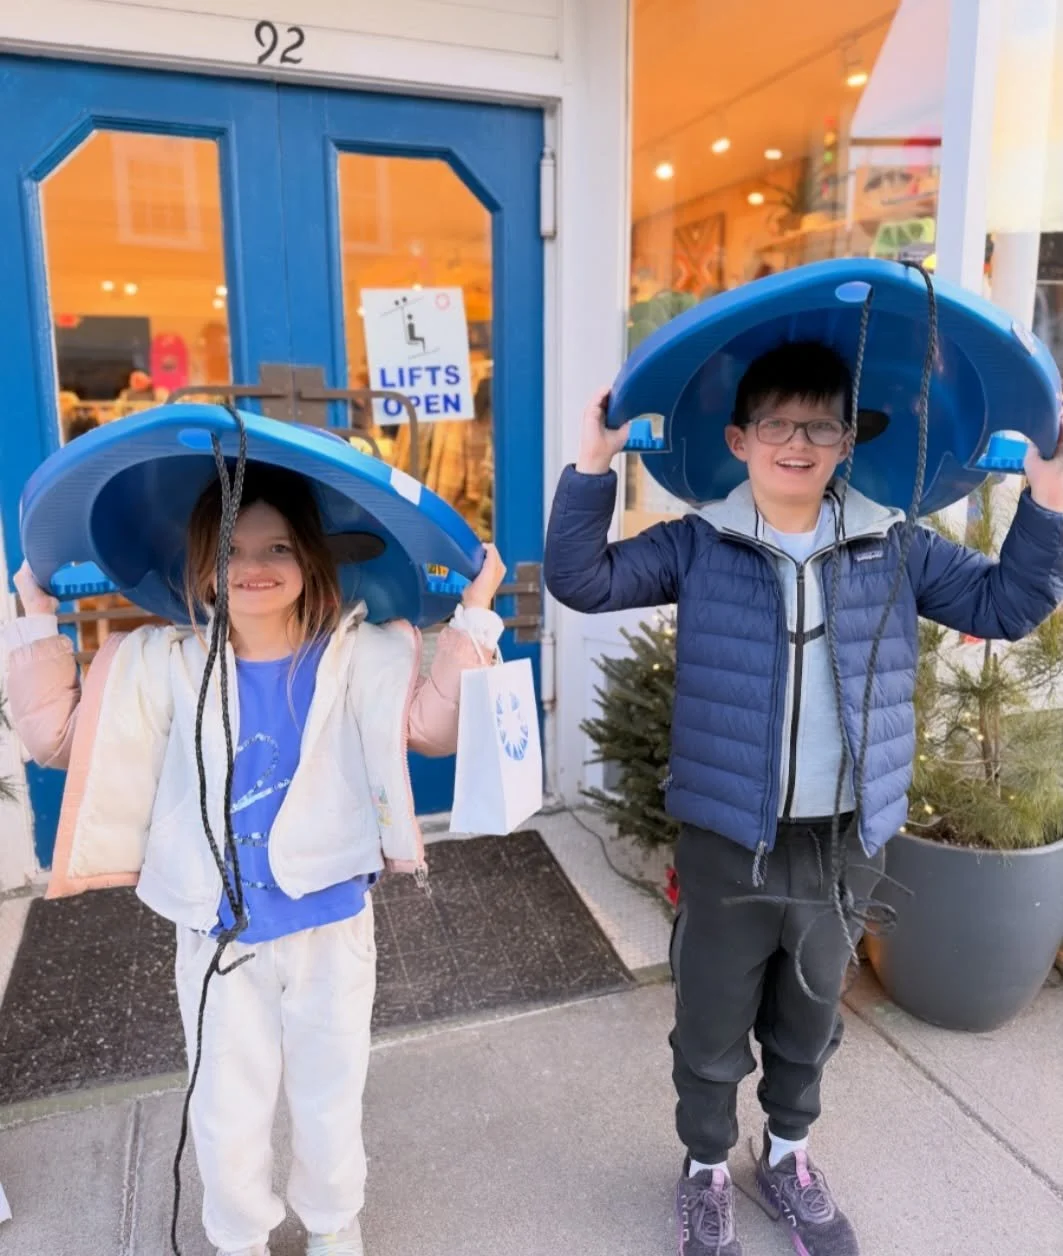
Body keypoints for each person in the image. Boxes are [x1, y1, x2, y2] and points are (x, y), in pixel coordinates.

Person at [544, 341, 1063, 1256]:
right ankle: (705, 1170)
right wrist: (595, 462)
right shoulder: (698, 543)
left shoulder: (895, 545)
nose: (798, 441)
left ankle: (786, 1157)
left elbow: (1008, 608)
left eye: (821, 425)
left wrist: (1048, 502)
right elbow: (581, 580)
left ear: (844, 443)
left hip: (841, 842)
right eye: (777, 423)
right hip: (725, 838)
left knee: (812, 1012)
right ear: (740, 440)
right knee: (709, 1021)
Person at [4, 462, 506, 1256]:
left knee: (329, 1091)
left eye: (276, 547)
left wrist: (475, 618)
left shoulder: (362, 656)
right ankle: (237, 1233)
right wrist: (34, 618)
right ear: (200, 568)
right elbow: (54, 739)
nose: (254, 568)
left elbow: (435, 728)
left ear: (312, 558)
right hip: (218, 935)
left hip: (329, 924)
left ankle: (334, 1222)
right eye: (231, 550)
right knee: (226, 1101)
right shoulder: (163, 664)